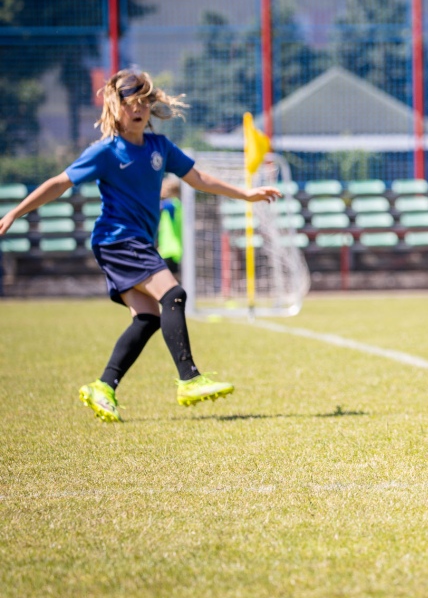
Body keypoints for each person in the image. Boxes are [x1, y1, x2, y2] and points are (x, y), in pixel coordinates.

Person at [0, 70, 281, 422]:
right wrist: (15, 212)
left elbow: (198, 178)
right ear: (114, 107)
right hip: (117, 240)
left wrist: (245, 193)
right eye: (130, 103)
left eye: (144, 103)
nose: (138, 109)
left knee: (148, 319)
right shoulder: (105, 151)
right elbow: (60, 183)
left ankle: (103, 386)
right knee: (173, 294)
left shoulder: (159, 147)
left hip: (133, 242)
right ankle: (189, 378)